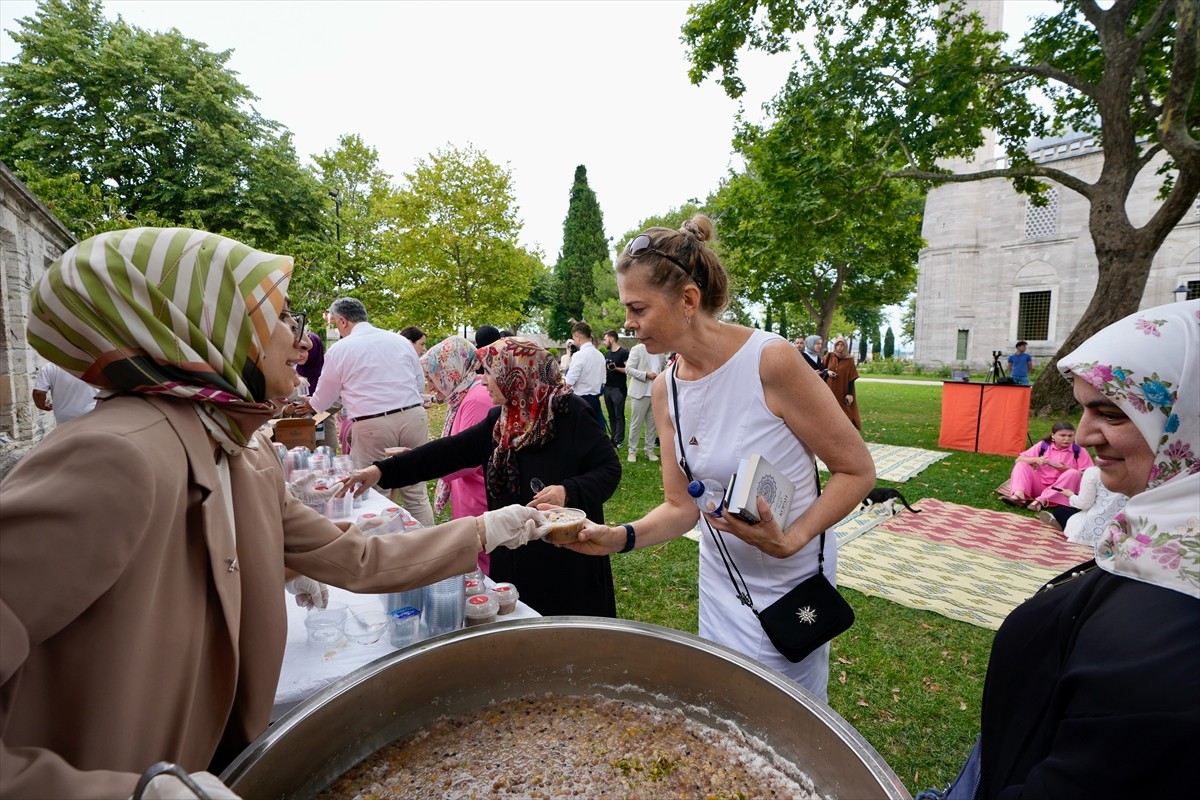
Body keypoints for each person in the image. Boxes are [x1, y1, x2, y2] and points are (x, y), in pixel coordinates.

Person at [0, 227, 548, 799]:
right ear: (210, 329)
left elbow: (355, 557)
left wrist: (483, 529)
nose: (303, 342)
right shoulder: (113, 456)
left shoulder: (242, 449)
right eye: (283, 318)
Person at [566, 215, 875, 700]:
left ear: (688, 300)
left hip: (791, 582)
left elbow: (856, 471)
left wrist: (791, 540)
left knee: (780, 714)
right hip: (722, 580)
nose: (627, 323)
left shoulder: (770, 360)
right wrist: (619, 538)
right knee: (724, 704)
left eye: (637, 308)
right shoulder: (666, 388)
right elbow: (681, 506)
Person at [919, 299, 1199, 799]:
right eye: (1084, 409)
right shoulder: (1163, 536)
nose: (1085, 435)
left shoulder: (1172, 625)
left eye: (1111, 413)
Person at [341, 336, 622, 617]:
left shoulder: (571, 413)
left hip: (565, 556)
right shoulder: (501, 420)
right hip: (514, 551)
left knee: (562, 629)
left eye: (489, 372)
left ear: (516, 375)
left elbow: (609, 469)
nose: (484, 381)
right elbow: (446, 453)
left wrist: (567, 490)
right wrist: (381, 470)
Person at [299, 298, 434, 526]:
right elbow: (419, 384)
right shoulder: (400, 341)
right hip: (413, 416)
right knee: (416, 491)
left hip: (373, 425)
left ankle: (381, 542)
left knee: (373, 490)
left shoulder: (340, 349)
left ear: (343, 321)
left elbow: (323, 399)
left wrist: (310, 403)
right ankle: (431, 542)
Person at [422, 335, 497, 573]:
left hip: (479, 498)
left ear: (450, 372)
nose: (430, 386)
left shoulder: (475, 399)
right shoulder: (466, 394)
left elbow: (464, 459)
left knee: (482, 563)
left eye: (432, 378)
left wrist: (421, 461)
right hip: (471, 494)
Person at [1004, 421, 1094, 512]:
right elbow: (1019, 459)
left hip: (1061, 491)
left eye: (1070, 436)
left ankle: (1041, 501)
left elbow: (1090, 475)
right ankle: (1019, 496)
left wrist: (1067, 469)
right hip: (1040, 485)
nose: (1067, 439)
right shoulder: (1043, 445)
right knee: (1021, 464)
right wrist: (1036, 459)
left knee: (1073, 472)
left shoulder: (1079, 450)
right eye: (1062, 435)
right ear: (1053, 436)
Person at [1058, 465, 1127, 546]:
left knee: (1060, 511)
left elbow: (1084, 503)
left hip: (1096, 526)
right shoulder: (1137, 473)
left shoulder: (1094, 472)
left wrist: (1070, 495)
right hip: (1126, 526)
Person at [293, 331, 337, 450]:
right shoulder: (292, 372)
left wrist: (315, 405)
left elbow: (339, 400)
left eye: (303, 350)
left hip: (325, 433)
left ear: (314, 351)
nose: (299, 355)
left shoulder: (328, 371)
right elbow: (285, 399)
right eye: (296, 350)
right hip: (297, 431)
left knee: (327, 459)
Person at [563, 320, 607, 431]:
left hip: (581, 401)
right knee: (595, 432)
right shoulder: (600, 355)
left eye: (574, 338)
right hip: (595, 400)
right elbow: (603, 380)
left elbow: (569, 382)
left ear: (577, 336)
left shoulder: (579, 355)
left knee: (582, 434)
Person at [625, 340, 664, 463]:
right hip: (640, 393)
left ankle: (649, 450)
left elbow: (662, 370)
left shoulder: (660, 351)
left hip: (655, 393)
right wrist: (645, 374)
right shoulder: (637, 349)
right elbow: (628, 369)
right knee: (636, 424)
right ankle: (632, 451)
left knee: (652, 425)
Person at [31, 362, 97, 424]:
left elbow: (38, 393)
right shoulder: (96, 363)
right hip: (94, 415)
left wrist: (42, 406)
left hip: (65, 421)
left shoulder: (50, 367)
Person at [823, 337, 861, 430]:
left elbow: (851, 378)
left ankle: (844, 430)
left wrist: (850, 394)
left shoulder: (849, 360)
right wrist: (827, 372)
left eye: (842, 345)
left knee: (845, 411)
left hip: (843, 389)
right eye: (838, 345)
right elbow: (821, 369)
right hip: (829, 388)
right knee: (829, 409)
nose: (839, 347)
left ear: (845, 346)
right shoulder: (829, 356)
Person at [602, 329, 630, 448]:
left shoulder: (623, 353)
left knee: (619, 415)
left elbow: (628, 369)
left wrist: (616, 368)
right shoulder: (607, 354)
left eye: (605, 339)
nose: (604, 342)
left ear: (612, 339)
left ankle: (619, 439)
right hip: (607, 387)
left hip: (618, 389)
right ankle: (613, 438)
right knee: (611, 415)